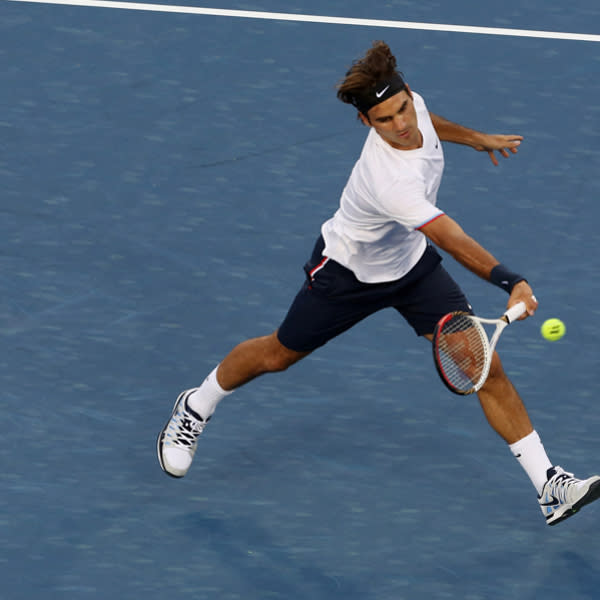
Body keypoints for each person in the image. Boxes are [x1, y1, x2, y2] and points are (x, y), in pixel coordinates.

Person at [157, 41, 600, 526]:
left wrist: (473, 137)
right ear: (366, 123)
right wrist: (512, 280)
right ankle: (195, 406)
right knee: (276, 355)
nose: (402, 124)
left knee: (482, 367)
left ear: (409, 93)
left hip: (412, 271)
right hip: (348, 274)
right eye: (385, 119)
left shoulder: (415, 109)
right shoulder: (389, 182)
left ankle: (548, 485)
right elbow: (452, 239)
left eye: (403, 108)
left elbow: (430, 126)